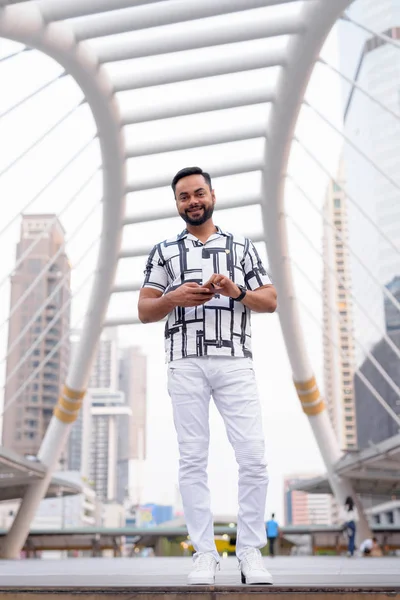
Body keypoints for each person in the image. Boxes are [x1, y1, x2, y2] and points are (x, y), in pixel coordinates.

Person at [138, 166, 277, 585]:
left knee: (253, 457)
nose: (193, 201)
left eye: (199, 193)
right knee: (192, 459)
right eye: (184, 196)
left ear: (212, 195)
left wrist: (235, 291)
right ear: (177, 203)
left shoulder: (241, 246)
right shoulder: (163, 250)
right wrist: (174, 297)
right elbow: (144, 310)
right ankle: (204, 554)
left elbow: (269, 301)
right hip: (185, 362)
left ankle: (249, 551)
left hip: (235, 359)